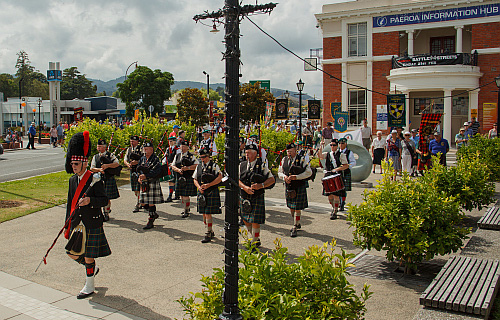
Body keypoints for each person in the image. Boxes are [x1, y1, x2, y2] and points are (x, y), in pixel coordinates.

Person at [64, 131, 111, 299]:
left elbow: (104, 200)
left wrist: (90, 200)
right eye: (72, 163)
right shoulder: (72, 181)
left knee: (89, 257)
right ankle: (92, 270)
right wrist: (67, 225)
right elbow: (70, 204)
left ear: (84, 163)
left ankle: (89, 286)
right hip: (78, 223)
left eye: (76, 163)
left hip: (92, 222)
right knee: (71, 252)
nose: (73, 166)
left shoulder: (94, 179)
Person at [239, 144, 275, 247]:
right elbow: (238, 180)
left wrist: (261, 185)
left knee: (255, 221)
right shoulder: (241, 165)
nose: (247, 155)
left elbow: (272, 180)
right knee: (245, 219)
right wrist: (245, 188)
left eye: (249, 153)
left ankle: (254, 241)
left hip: (256, 196)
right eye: (246, 153)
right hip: (244, 195)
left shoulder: (262, 166)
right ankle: (255, 237)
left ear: (255, 154)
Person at [278, 142, 312, 237]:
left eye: (291, 151)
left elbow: (309, 172)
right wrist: (284, 177)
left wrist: (296, 177)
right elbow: (279, 172)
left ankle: (294, 226)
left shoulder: (302, 159)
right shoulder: (284, 159)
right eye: (288, 151)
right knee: (291, 207)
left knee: (297, 207)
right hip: (289, 186)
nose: (289, 152)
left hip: (299, 185)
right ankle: (296, 222)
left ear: (295, 150)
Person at [193, 148, 223, 243]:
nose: (202, 159)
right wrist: (199, 187)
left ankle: (208, 232)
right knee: (204, 214)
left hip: (211, 191)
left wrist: (208, 185)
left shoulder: (214, 166)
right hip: (202, 192)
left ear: (208, 156)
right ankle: (209, 230)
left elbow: (220, 178)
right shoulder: (198, 167)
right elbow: (194, 179)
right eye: (201, 157)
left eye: (204, 157)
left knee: (207, 213)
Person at [90, 139, 120, 221]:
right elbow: (92, 168)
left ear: (104, 147)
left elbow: (117, 163)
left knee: (107, 197)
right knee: (100, 196)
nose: (98, 148)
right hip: (98, 180)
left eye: (100, 146)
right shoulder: (95, 157)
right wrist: (99, 170)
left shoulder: (110, 155)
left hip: (108, 178)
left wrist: (107, 166)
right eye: (98, 146)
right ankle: (103, 211)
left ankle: (106, 213)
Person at [319, 139, 349, 219]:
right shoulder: (328, 154)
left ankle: (335, 211)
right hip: (328, 175)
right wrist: (320, 146)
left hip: (336, 176)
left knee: (336, 195)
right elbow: (321, 156)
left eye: (334, 145)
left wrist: (337, 169)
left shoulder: (341, 155)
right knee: (329, 196)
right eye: (331, 145)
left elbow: (346, 165)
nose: (332, 147)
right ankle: (333, 207)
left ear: (337, 146)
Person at [137, 142, 164, 229]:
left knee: (151, 203)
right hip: (144, 182)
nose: (145, 150)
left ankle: (150, 220)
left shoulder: (155, 159)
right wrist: (139, 177)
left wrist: (146, 176)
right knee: (142, 203)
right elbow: (139, 169)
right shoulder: (142, 158)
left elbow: (157, 171)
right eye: (144, 148)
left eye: (147, 148)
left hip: (152, 182)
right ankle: (153, 213)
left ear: (151, 150)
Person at [172, 140, 198, 218]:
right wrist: (178, 170)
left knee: (186, 195)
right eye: (182, 146)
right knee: (182, 196)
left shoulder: (191, 156)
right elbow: (173, 166)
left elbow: (197, 165)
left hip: (188, 177)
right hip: (179, 177)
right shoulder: (177, 155)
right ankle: (186, 208)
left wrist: (188, 168)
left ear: (187, 148)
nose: (183, 148)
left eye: (185, 147)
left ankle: (186, 210)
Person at [124, 135, 142, 212]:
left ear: (137, 142)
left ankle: (138, 203)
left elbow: (144, 159)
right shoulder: (129, 149)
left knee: (139, 188)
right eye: (131, 141)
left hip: (139, 170)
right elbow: (125, 159)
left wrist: (137, 162)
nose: (132, 143)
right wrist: (128, 164)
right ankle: (140, 200)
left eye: (133, 141)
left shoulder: (141, 148)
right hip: (132, 170)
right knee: (135, 189)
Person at [337, 138, 354, 211]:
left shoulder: (349, 152)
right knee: (338, 189)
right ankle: (339, 202)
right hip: (338, 172)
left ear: (346, 144)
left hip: (346, 172)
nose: (341, 145)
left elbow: (353, 162)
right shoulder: (337, 152)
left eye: (342, 143)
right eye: (340, 143)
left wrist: (348, 166)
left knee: (344, 189)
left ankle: (342, 203)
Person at [162, 136, 181, 202]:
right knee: (171, 181)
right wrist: (164, 161)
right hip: (169, 167)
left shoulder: (177, 149)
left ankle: (176, 195)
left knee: (175, 181)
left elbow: (178, 158)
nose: (170, 142)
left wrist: (173, 164)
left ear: (175, 141)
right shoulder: (168, 149)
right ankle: (170, 196)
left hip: (175, 166)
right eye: (169, 141)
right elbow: (165, 156)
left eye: (171, 141)